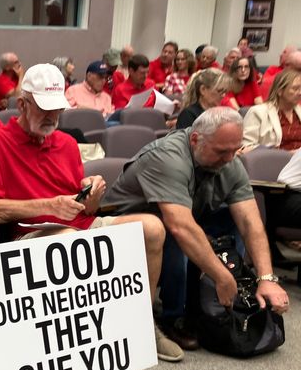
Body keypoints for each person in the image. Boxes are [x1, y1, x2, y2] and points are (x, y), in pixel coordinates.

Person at [0, 63, 178, 362]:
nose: (53, 117)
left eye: (57, 109)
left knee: (151, 228)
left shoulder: (68, 143)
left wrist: (92, 194)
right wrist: (49, 205)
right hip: (30, 233)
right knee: (68, 237)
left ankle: (143, 321)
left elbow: (84, 210)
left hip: (78, 225)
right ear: (22, 104)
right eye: (44, 109)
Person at [102, 107, 290, 350]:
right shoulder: (168, 156)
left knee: (231, 219)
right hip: (128, 230)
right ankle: (173, 315)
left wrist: (266, 278)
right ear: (195, 139)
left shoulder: (228, 161)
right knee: (173, 230)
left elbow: (250, 222)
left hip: (179, 220)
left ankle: (216, 296)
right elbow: (181, 227)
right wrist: (220, 276)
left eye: (235, 150)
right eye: (222, 151)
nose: (230, 159)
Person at [242, 69, 301, 151]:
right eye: (295, 89)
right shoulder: (258, 112)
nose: (300, 92)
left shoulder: (299, 111)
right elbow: (245, 147)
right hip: (276, 161)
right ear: (280, 91)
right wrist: (284, 154)